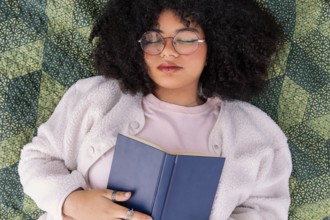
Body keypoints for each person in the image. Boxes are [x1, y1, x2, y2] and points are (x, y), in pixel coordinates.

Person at [18, 0, 292, 219]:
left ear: (217, 46)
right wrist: (72, 202)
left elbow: (268, 210)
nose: (168, 51)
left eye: (186, 38)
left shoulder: (258, 136)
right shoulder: (97, 98)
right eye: (153, 38)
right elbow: (38, 158)